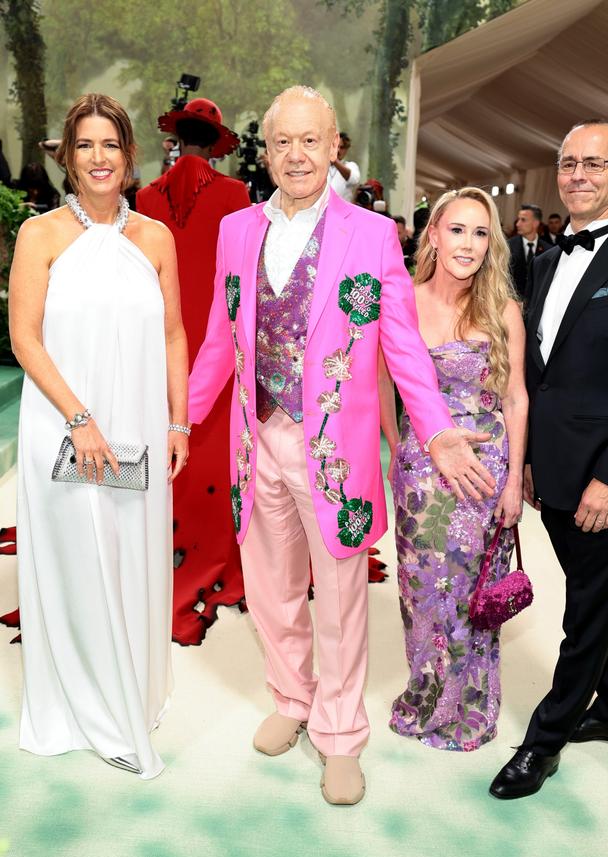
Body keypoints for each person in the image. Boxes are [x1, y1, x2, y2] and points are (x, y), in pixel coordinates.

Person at [187, 85, 495, 805]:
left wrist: (437, 427)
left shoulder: (372, 235)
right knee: (270, 591)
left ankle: (339, 732)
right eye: (282, 142)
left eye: (310, 140)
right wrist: (182, 421)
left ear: (334, 147)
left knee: (341, 601)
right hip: (253, 438)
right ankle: (292, 699)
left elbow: (405, 348)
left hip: (335, 450)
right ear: (267, 153)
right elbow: (217, 342)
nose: (296, 154)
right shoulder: (236, 231)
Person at [9, 93, 189, 779]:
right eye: (84, 146)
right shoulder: (42, 235)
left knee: (130, 556)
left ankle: (130, 693)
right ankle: (86, 708)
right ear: (66, 156)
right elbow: (24, 339)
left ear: (128, 154)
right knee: (78, 561)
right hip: (64, 433)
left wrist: (178, 420)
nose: (98, 158)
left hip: (138, 430)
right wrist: (80, 420)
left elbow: (174, 333)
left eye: (109, 145)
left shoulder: (155, 239)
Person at [490, 118, 608, 800]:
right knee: (602, 594)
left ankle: (544, 741)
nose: (577, 175)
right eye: (567, 164)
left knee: (585, 609)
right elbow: (540, 374)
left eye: (593, 164)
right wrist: (527, 459)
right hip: (550, 470)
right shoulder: (547, 260)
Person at [382, 188, 527, 750]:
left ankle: (469, 705)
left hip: (485, 475)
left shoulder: (502, 310)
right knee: (422, 591)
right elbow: (381, 383)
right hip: (422, 475)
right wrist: (401, 449)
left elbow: (515, 399)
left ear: (491, 245)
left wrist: (514, 481)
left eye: (481, 232)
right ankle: (426, 694)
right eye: (458, 229)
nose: (468, 243)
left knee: (473, 595)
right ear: (434, 234)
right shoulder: (404, 302)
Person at [137, 98, 250, 645]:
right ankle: (218, 550)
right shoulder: (235, 195)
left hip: (158, 344)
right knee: (215, 450)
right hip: (218, 349)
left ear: (178, 138)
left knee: (164, 439)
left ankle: (160, 544)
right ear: (217, 142)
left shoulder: (143, 198)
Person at [507, 204, 552, 299]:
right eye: (518, 219)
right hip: (512, 303)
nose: (517, 224)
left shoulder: (549, 250)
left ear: (536, 223)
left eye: (523, 220)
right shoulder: (507, 246)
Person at [327, 130, 360, 202]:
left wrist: (334, 160)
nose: (338, 150)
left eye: (341, 147)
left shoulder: (351, 166)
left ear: (346, 149)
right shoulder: (323, 166)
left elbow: (353, 180)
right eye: (336, 146)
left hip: (342, 211)